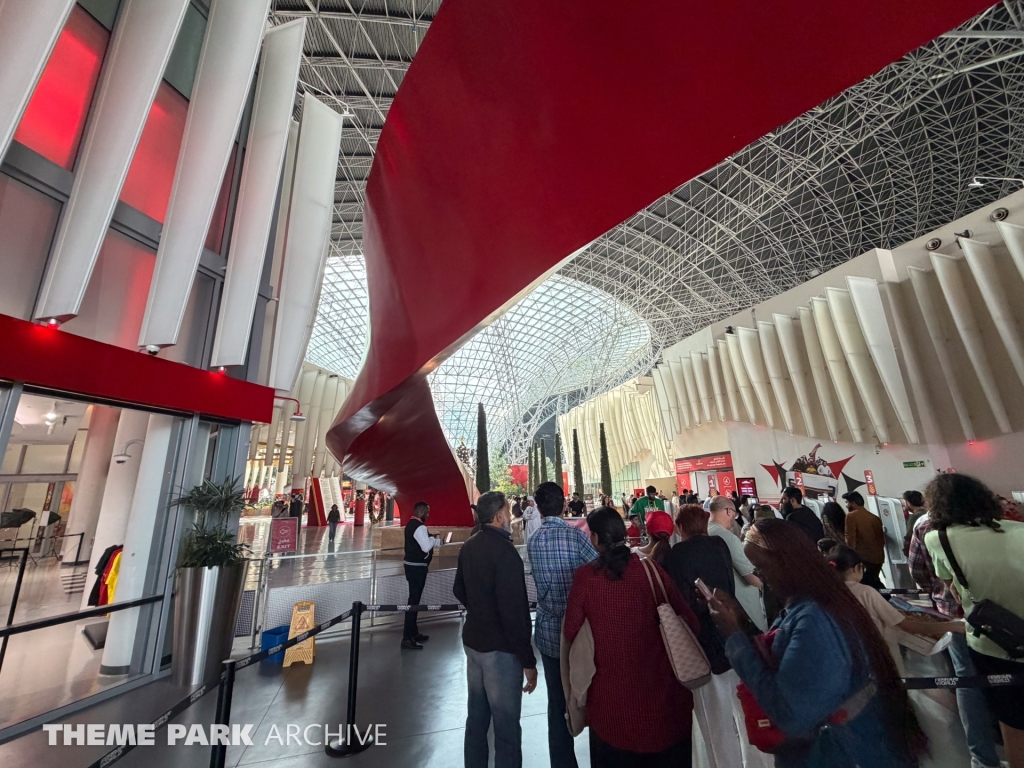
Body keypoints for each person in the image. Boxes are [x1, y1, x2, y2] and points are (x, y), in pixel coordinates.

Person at [710, 518, 925, 768]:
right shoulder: (806, 606)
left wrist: (735, 638)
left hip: (839, 753)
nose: (759, 576)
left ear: (785, 562)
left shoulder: (815, 619)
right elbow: (783, 660)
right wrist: (742, 624)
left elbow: (792, 715)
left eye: (761, 567)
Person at [564, 506, 700, 766]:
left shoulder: (586, 578)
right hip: (666, 705)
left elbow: (571, 630)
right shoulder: (651, 571)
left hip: (612, 710)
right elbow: (690, 622)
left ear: (593, 538)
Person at [923, 473, 1024, 768]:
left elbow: (953, 589)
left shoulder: (938, 539)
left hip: (995, 644)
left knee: (1013, 725)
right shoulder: (1018, 530)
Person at [664, 505, 771, 768]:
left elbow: (676, 599)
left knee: (714, 717)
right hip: (732, 629)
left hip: (700, 639)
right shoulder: (720, 545)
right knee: (743, 706)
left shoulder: (677, 553)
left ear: (680, 528)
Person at [908, 504, 1005, 768]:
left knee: (967, 682)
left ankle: (983, 757)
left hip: (954, 613)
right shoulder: (988, 522)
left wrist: (939, 591)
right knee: (1005, 676)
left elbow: (917, 571)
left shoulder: (925, 526)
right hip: (998, 614)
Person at [453, 491, 537, 768]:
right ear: (499, 516)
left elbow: (458, 589)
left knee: (476, 718)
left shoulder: (470, 545)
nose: (511, 517)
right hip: (500, 651)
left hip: (473, 643)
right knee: (506, 727)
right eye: (509, 511)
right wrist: (527, 659)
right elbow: (514, 613)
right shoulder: (505, 553)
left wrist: (479, 610)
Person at [526, 481, 597, 768]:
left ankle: (563, 762)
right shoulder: (576, 538)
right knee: (591, 692)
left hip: (547, 632)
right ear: (564, 504)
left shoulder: (533, 542)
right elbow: (599, 569)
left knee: (556, 701)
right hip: (579, 632)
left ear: (539, 508)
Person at [824, 543, 963, 672]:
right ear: (857, 567)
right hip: (880, 660)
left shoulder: (826, 596)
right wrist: (952, 626)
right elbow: (908, 626)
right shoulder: (866, 593)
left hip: (848, 662)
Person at [708, 496, 766, 630]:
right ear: (729, 511)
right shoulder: (728, 537)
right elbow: (752, 578)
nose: (734, 519)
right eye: (734, 514)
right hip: (744, 606)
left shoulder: (705, 532)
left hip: (721, 606)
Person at [401, 501, 442, 650]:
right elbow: (425, 546)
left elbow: (422, 543)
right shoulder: (420, 527)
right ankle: (407, 637)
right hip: (417, 568)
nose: (428, 515)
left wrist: (438, 542)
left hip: (411, 566)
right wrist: (432, 539)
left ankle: (413, 632)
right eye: (428, 512)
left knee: (415, 600)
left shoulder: (411, 524)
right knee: (413, 601)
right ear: (422, 511)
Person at [842, 492, 885, 590]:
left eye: (846, 502)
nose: (846, 505)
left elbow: (850, 538)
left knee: (864, 586)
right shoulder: (874, 518)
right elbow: (881, 540)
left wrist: (850, 557)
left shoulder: (851, 516)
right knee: (874, 583)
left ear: (852, 503)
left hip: (863, 558)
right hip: (878, 558)